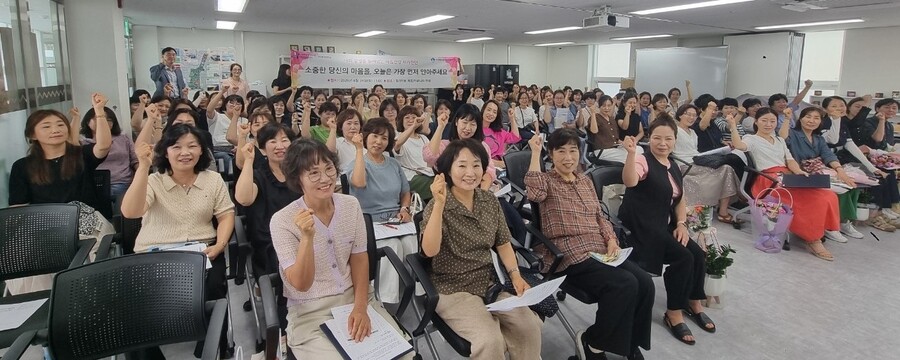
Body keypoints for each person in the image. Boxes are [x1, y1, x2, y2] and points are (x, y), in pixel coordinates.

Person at [269, 138, 414, 358]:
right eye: (314, 173)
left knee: (402, 355)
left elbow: (359, 258)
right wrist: (307, 238)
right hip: (311, 311)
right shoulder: (282, 221)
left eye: (329, 169)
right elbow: (301, 283)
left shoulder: (350, 205)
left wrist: (360, 306)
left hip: (354, 298)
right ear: (298, 180)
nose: (325, 179)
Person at [525, 129, 653, 360]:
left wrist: (612, 240)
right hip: (570, 253)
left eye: (572, 151)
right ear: (551, 155)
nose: (568, 157)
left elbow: (599, 216)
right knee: (623, 284)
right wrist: (535, 152)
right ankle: (592, 342)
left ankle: (630, 341)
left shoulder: (585, 181)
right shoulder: (545, 181)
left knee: (644, 282)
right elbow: (533, 192)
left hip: (601, 249)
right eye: (560, 151)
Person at [420, 139, 543, 360]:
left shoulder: (488, 200)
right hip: (452, 287)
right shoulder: (437, 203)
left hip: (488, 280)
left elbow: (504, 243)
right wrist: (438, 204)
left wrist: (515, 275)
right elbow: (429, 251)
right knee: (489, 340)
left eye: (476, 165)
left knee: (528, 326)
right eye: (462, 165)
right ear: (448, 169)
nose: (470, 172)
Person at [121, 124, 234, 358]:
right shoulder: (154, 180)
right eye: (177, 147)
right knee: (134, 305)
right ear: (165, 152)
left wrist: (220, 245)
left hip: (200, 252)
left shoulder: (212, 179)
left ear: (202, 151)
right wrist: (143, 167)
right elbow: (131, 212)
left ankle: (212, 348)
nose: (185, 152)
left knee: (214, 286)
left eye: (193, 146)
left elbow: (225, 215)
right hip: (155, 254)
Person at [619, 118, 715, 346]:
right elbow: (630, 181)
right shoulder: (643, 160)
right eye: (657, 138)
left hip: (667, 224)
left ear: (675, 140)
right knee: (683, 258)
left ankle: (693, 301)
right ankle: (673, 313)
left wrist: (681, 223)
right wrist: (631, 154)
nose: (663, 143)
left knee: (698, 254)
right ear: (649, 138)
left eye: (668, 139)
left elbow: (679, 198)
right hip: (644, 226)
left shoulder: (672, 164)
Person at [729, 107, 841, 261]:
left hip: (787, 176)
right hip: (768, 180)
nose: (768, 124)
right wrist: (733, 125)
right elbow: (739, 145)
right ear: (756, 122)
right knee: (805, 201)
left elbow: (790, 160)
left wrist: (799, 172)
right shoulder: (751, 138)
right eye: (764, 120)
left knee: (828, 195)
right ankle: (813, 239)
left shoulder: (780, 140)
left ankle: (815, 230)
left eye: (772, 121)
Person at [234, 122, 298, 345]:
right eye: (273, 141)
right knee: (288, 267)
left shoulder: (300, 173)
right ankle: (284, 331)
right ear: (263, 148)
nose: (280, 146)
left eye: (285, 140)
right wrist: (249, 162)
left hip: (304, 236)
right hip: (270, 242)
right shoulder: (259, 175)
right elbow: (244, 199)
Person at [347, 118, 417, 304]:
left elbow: (405, 192)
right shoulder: (356, 163)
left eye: (384, 138)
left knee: (411, 242)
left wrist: (404, 208)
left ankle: (413, 291)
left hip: (396, 220)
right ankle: (388, 300)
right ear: (365, 137)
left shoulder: (394, 165)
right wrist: (359, 150)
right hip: (370, 223)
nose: (378, 142)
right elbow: (359, 182)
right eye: (374, 136)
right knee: (392, 247)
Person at [781, 107, 857, 245]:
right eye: (808, 117)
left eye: (816, 118)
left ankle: (843, 222)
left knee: (851, 183)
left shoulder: (819, 138)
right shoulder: (793, 133)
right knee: (836, 190)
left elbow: (828, 155)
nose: (812, 121)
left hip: (819, 171)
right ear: (801, 119)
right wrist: (787, 118)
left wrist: (840, 171)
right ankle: (830, 227)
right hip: (801, 172)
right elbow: (782, 137)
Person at [820, 96, 887, 235]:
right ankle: (834, 225)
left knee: (855, 186)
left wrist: (872, 168)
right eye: (834, 106)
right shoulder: (823, 123)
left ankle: (845, 221)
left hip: (839, 162)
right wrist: (836, 119)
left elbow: (852, 147)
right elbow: (833, 139)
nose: (839, 108)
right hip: (824, 162)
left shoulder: (843, 124)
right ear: (825, 109)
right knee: (844, 186)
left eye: (841, 105)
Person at [671, 105, 741, 224]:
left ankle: (723, 210)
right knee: (726, 169)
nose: (692, 117)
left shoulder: (693, 132)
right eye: (688, 114)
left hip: (697, 161)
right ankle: (724, 210)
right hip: (684, 164)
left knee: (727, 168)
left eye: (694, 115)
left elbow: (694, 151)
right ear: (680, 115)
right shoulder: (674, 130)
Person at [854, 98, 900, 224]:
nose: (890, 110)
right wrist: (881, 121)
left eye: (894, 108)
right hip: (865, 157)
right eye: (887, 107)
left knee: (891, 173)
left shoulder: (889, 125)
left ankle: (887, 206)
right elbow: (878, 139)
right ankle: (880, 208)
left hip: (880, 157)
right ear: (877, 109)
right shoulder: (868, 122)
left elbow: (887, 144)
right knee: (883, 173)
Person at [78, 104, 137, 199]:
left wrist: (139, 178)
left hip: (123, 182)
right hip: (95, 185)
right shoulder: (82, 142)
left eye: (109, 120)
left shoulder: (122, 138)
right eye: (97, 118)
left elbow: (135, 160)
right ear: (87, 121)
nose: (104, 122)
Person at [393, 106, 435, 202]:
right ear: (401, 121)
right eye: (407, 117)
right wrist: (413, 127)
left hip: (428, 173)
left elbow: (432, 157)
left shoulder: (423, 138)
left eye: (413, 117)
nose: (411, 120)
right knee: (436, 184)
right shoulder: (398, 136)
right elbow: (398, 144)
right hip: (411, 177)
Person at [481, 100, 521, 167]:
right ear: (483, 110)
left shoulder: (499, 132)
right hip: (484, 166)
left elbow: (515, 137)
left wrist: (512, 119)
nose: (491, 114)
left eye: (494, 112)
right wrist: (501, 164)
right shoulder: (475, 129)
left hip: (498, 167)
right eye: (489, 110)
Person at [325, 108, 364, 173]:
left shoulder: (364, 146)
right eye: (349, 123)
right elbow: (328, 153)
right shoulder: (337, 142)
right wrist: (333, 129)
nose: (353, 127)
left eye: (356, 123)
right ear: (341, 126)